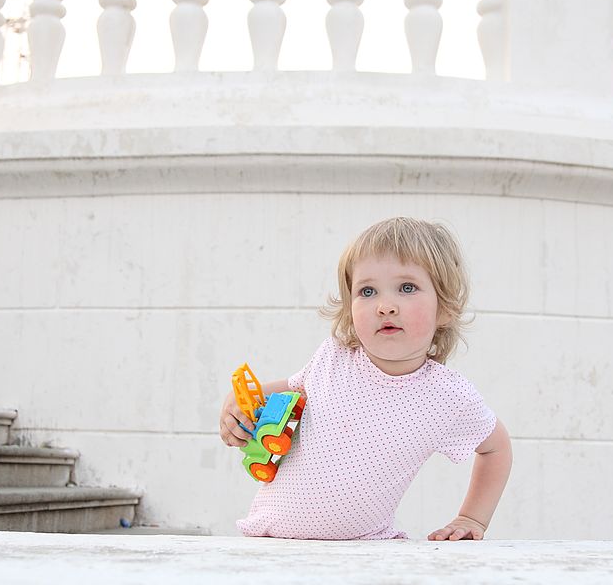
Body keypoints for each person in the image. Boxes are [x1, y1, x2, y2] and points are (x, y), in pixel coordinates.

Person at [219, 217, 512, 541]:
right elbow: (291, 388)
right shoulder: (334, 357)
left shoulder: (445, 394)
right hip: (269, 543)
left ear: (444, 308)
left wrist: (472, 518)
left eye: (407, 288)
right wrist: (239, 402)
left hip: (366, 554)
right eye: (367, 291)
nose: (385, 306)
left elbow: (496, 448)